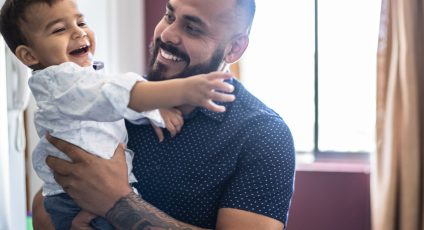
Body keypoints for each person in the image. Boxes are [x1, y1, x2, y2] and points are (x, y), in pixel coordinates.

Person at [34, 0, 297, 229]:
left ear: (234, 48)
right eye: (169, 16)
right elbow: (43, 204)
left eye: (192, 28)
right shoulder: (114, 100)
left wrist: (117, 202)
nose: (168, 34)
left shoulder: (264, 135)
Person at [0, 0, 237, 229]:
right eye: (60, 29)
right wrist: (182, 92)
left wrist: (153, 109)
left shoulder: (84, 82)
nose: (78, 33)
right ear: (29, 56)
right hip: (72, 202)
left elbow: (114, 100)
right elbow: (115, 94)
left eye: (81, 23)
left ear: (235, 48)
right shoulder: (60, 83)